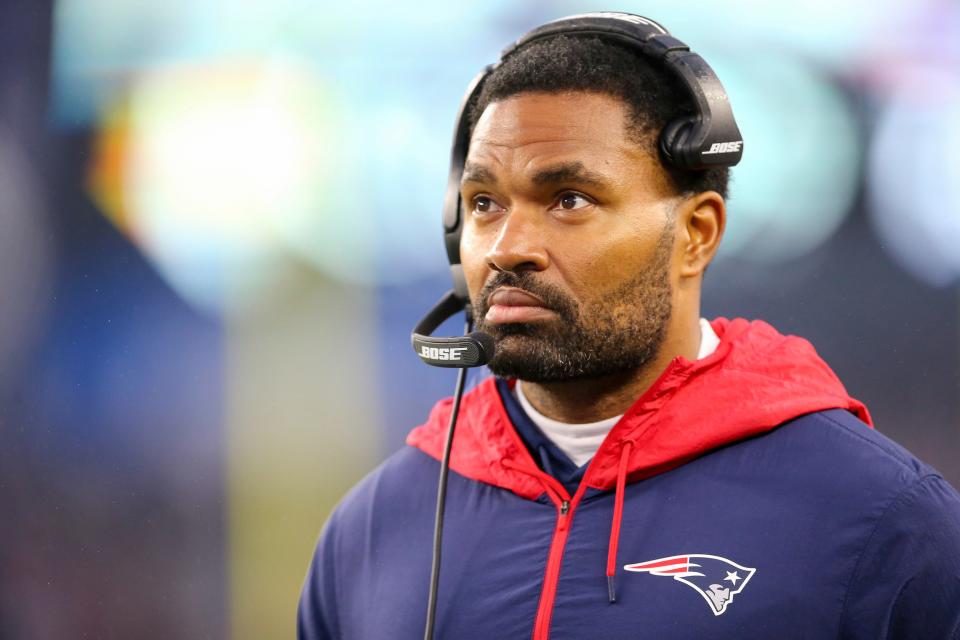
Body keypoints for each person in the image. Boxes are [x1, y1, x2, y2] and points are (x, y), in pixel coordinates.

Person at [298, 13, 960, 640]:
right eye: (483, 203)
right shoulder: (372, 530)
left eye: (570, 200)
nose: (506, 245)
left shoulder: (880, 519)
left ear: (696, 234)